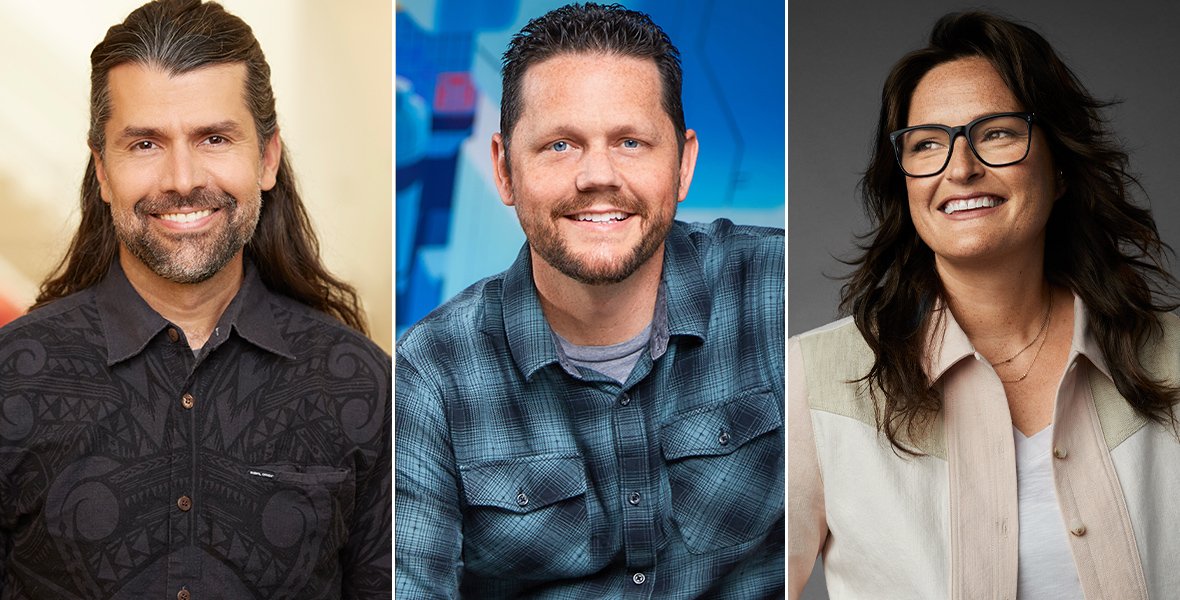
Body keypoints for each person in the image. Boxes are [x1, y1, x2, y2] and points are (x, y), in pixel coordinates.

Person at [0, 1, 391, 598]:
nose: (182, 179)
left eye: (213, 138)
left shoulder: (365, 386)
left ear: (266, 157)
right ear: (102, 170)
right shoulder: (11, 378)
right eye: (145, 144)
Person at [395, 3, 784, 597]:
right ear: (504, 170)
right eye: (559, 145)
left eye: (630, 142)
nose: (597, 175)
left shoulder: (773, 289)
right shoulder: (431, 373)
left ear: (683, 164)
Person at [789, 11, 1180, 599]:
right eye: (927, 144)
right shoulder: (809, 381)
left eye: (997, 132)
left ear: (1062, 166)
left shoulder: (1173, 358)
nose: (961, 168)